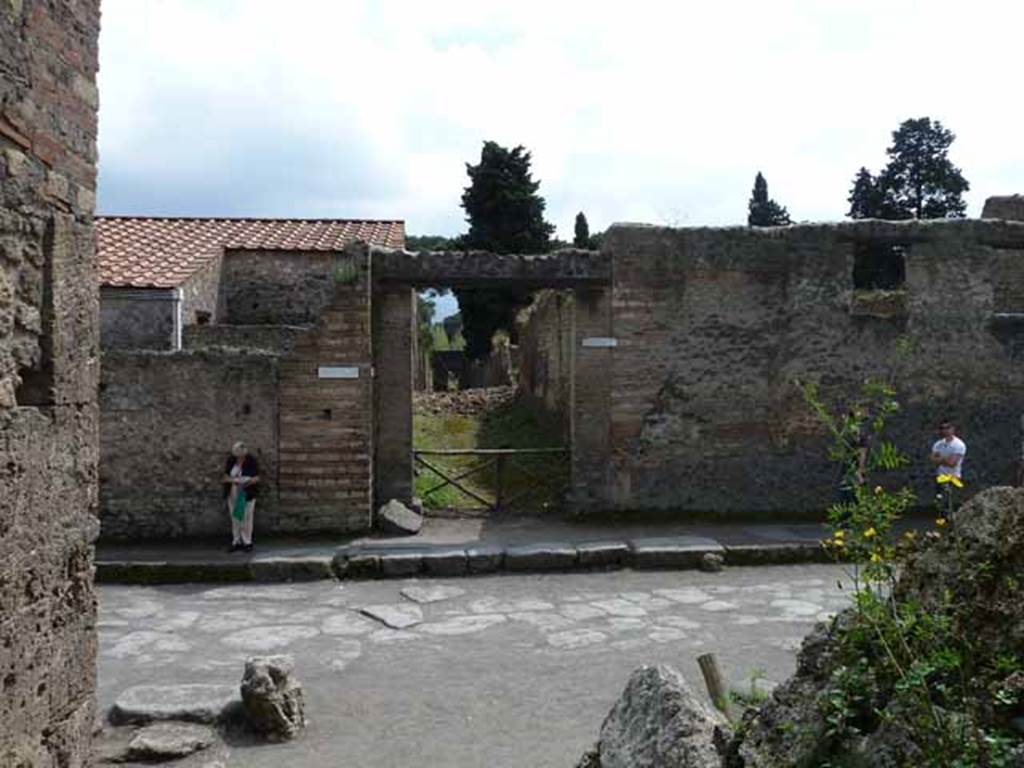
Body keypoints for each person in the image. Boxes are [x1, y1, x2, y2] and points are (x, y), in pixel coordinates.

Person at [223, 441, 260, 552]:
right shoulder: (231, 460)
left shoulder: (251, 461)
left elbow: (257, 478)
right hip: (233, 491)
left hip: (246, 492)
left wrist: (246, 481)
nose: (239, 457)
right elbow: (225, 476)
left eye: (241, 455)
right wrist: (233, 480)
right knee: (235, 517)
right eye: (237, 455)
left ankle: (247, 541)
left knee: (246, 517)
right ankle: (236, 541)